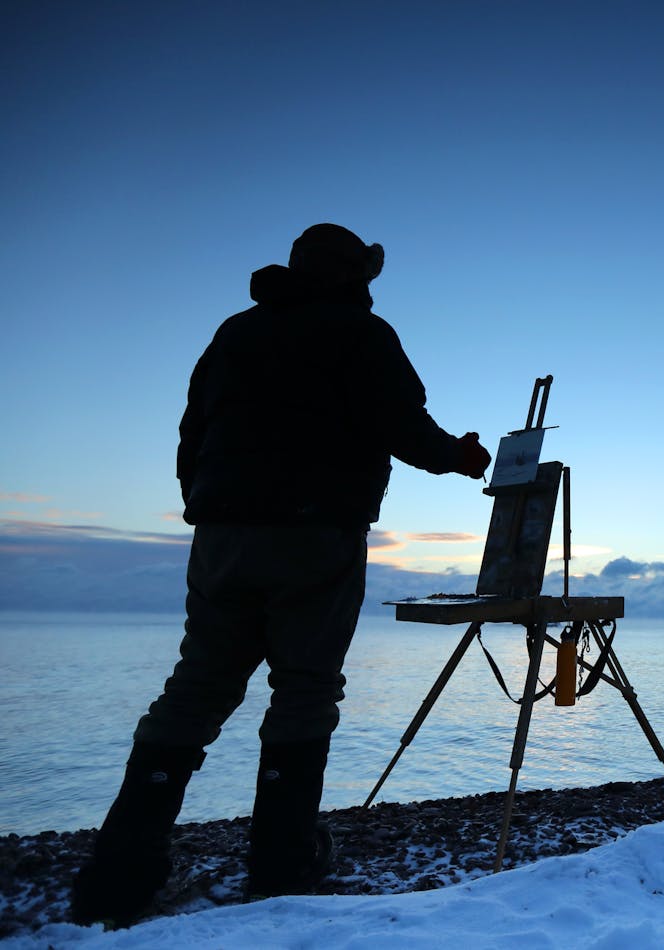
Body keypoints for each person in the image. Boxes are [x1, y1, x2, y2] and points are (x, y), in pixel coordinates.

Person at [71, 224, 491, 926]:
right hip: (315, 534)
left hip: (222, 536)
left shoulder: (236, 332)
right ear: (354, 276)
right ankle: (280, 864)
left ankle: (117, 879)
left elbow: (192, 433)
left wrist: (204, 506)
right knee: (305, 689)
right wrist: (467, 458)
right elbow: (403, 425)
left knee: (195, 689)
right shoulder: (361, 333)